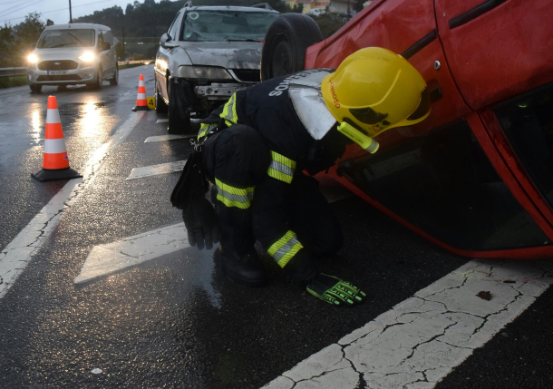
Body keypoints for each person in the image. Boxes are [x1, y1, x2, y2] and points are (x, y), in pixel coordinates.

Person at [170, 47, 431, 305]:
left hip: (268, 147)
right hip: (227, 147)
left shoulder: (344, 87)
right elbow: (266, 220)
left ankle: (253, 194)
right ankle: (233, 248)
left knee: (326, 243)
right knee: (243, 147)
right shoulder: (287, 130)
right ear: (369, 116)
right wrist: (308, 276)